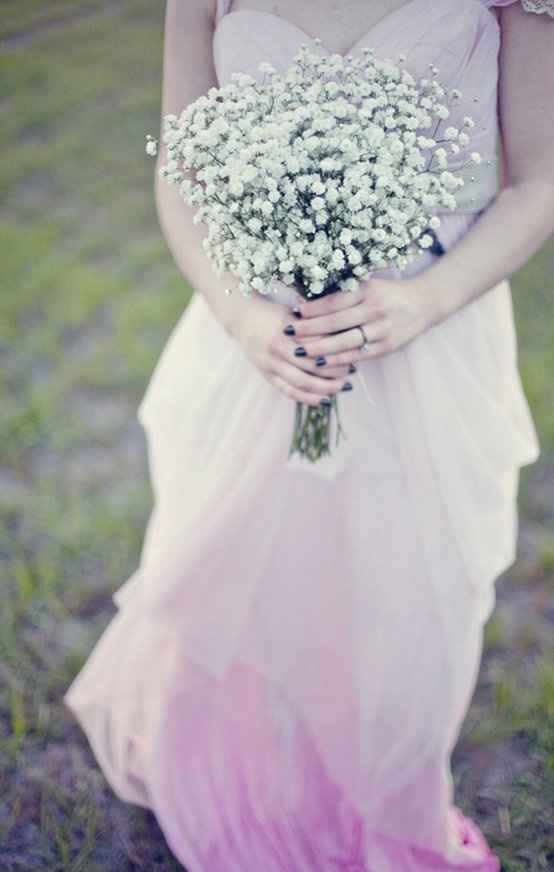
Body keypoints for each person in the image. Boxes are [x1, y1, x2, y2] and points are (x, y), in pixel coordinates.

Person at [63, 1, 553, 869]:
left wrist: (422, 302)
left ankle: (388, 798)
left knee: (410, 600)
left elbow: (537, 181)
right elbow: (181, 170)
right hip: (261, 343)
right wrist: (241, 315)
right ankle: (246, 780)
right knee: (236, 570)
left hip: (429, 344)